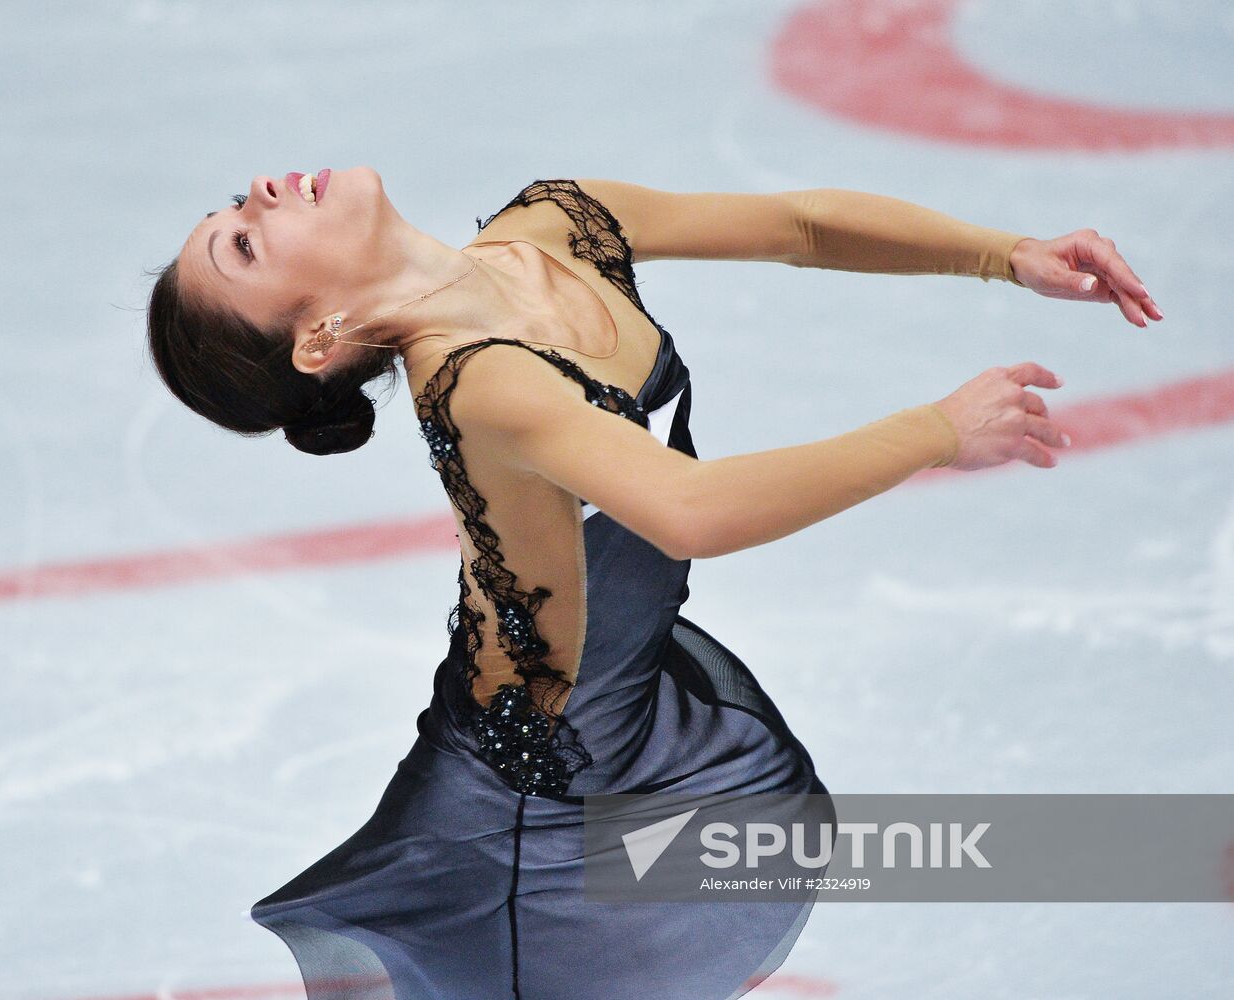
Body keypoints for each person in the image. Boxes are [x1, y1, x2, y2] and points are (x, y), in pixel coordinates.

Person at [146, 169, 1160, 999]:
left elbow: (795, 223)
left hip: (639, 719)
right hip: (532, 801)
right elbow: (691, 509)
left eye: (233, 206)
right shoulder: (480, 378)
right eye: (242, 243)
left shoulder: (550, 224)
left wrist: (1003, 254)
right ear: (318, 339)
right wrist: (936, 432)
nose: (260, 197)